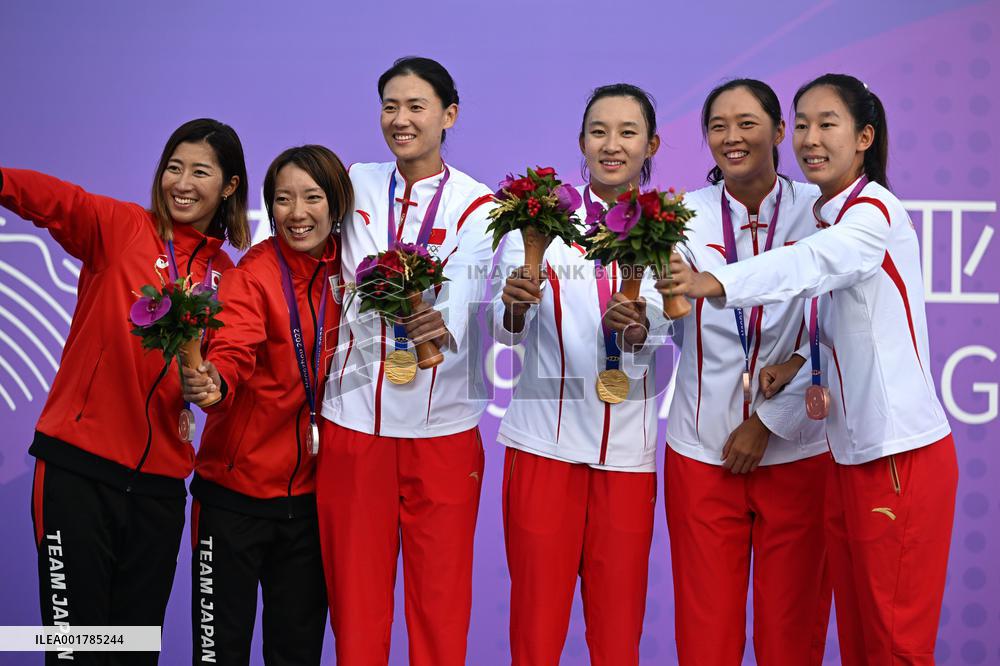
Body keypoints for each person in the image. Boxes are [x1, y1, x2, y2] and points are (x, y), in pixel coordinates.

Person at [668, 73, 957, 665]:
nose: (810, 138)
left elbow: (814, 263)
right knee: (857, 640)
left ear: (865, 137)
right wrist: (798, 364)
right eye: (804, 124)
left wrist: (716, 281)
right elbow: (830, 333)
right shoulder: (830, 213)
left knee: (895, 645)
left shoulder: (871, 214)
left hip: (897, 453)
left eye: (827, 124)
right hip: (849, 456)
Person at [0, 118, 249, 665]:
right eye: (173, 168)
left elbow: (228, 366)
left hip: (159, 490)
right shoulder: (121, 227)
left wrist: (210, 383)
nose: (181, 182)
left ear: (229, 187)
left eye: (200, 172)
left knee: (132, 653)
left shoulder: (228, 278)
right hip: (77, 472)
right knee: (75, 652)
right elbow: (49, 198)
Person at [613, 79, 834, 665]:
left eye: (747, 123)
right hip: (702, 450)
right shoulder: (680, 217)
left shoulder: (822, 215)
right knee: (705, 633)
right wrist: (638, 326)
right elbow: (664, 318)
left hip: (798, 450)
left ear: (780, 131)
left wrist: (769, 420)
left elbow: (842, 339)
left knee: (792, 634)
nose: (732, 138)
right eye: (717, 126)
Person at [316, 56, 495, 666]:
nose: (401, 119)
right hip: (353, 425)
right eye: (390, 106)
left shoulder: (479, 204)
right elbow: (293, 231)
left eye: (416, 106)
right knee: (357, 609)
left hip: (441, 428)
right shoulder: (352, 183)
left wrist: (443, 314)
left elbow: (471, 283)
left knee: (440, 608)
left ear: (449, 115)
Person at [491, 83, 667, 665]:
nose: (611, 145)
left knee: (618, 639)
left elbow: (676, 341)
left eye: (627, 132)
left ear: (651, 145)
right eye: (599, 132)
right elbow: (500, 328)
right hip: (544, 448)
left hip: (627, 457)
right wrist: (514, 304)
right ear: (581, 142)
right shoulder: (533, 224)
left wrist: (640, 331)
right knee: (536, 634)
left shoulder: (671, 235)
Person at [180, 145, 350, 665]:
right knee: (219, 652)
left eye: (312, 197)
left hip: (311, 504)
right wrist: (218, 383)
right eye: (282, 200)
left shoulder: (353, 267)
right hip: (234, 496)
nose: (297, 213)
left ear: (336, 202)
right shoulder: (253, 274)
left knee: (296, 654)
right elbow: (233, 346)